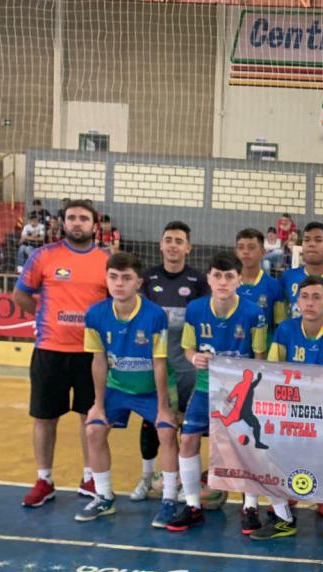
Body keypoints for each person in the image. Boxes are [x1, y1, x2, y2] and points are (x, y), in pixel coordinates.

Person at [252, 275, 323, 544]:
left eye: (316, 297)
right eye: (304, 297)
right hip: (295, 417)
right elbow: (272, 373)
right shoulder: (285, 330)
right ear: (297, 302)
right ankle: (282, 518)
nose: (310, 302)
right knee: (264, 452)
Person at [13, 200, 108, 508]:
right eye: (72, 218)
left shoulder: (106, 260)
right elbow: (20, 294)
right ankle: (44, 479)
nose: (77, 223)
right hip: (50, 350)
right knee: (44, 417)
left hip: (91, 354)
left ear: (94, 225)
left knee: (90, 418)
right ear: (63, 223)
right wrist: (45, 316)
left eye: (84, 218)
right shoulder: (44, 255)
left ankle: (90, 477)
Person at [172, 252, 269, 534]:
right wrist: (194, 358)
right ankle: (193, 504)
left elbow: (260, 357)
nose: (223, 281)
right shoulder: (195, 309)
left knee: (246, 445)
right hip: (206, 387)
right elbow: (188, 348)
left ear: (239, 280)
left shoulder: (253, 313)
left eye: (229, 276)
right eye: (217, 276)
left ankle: (250, 506)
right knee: (188, 439)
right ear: (209, 279)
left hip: (240, 392)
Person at [80, 252, 179, 526]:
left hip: (153, 388)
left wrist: (163, 408)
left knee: (167, 431)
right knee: (93, 429)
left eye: (126, 278)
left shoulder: (155, 315)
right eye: (113, 277)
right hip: (118, 386)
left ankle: (170, 499)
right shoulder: (95, 315)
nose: (119, 283)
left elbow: (160, 363)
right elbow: (99, 361)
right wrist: (98, 404)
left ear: (138, 282)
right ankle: (104, 496)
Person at [131, 221, 209, 503]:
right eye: (168, 240)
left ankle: (183, 482)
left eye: (179, 241)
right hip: (156, 366)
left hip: (188, 368)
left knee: (189, 427)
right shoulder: (147, 278)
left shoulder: (199, 282)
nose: (173, 245)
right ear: (160, 245)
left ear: (188, 247)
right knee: (153, 422)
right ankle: (147, 477)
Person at [235, 228, 288, 335]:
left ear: (263, 252)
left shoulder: (274, 286)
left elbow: (280, 326)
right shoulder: (226, 285)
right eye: (241, 248)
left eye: (251, 247)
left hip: (264, 344)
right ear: (236, 252)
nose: (245, 251)